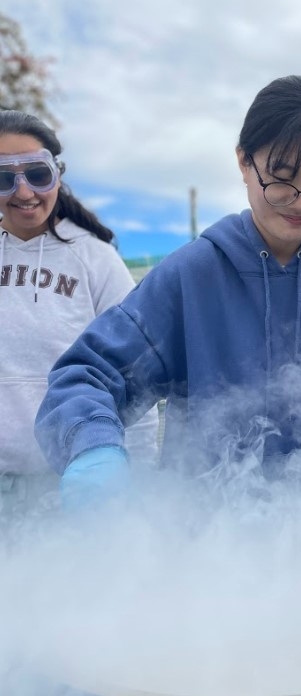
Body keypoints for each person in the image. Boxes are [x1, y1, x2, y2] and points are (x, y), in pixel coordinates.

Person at [34, 75, 301, 504]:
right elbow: (87, 375)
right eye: (281, 178)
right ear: (244, 162)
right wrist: (91, 449)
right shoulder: (190, 276)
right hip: (202, 541)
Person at [0, 110, 158, 524]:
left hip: (71, 488)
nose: (23, 192)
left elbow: (134, 376)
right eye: (3, 178)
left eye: (37, 174)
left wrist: (135, 480)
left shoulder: (96, 260)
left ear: (57, 173)